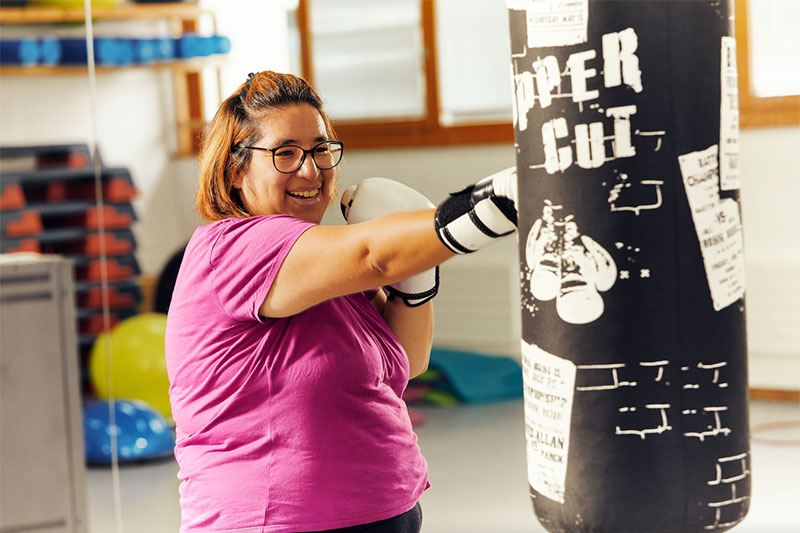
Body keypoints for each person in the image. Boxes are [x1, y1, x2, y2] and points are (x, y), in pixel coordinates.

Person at [165, 70, 519, 533]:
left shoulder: (326, 268)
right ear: (236, 170)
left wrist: (415, 283)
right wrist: (505, 199)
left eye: (319, 149)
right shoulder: (234, 247)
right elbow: (374, 255)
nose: (310, 170)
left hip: (383, 511)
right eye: (285, 153)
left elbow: (409, 362)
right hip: (274, 522)